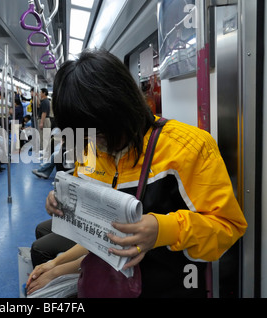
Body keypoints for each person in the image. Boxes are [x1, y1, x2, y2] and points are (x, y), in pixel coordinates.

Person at [28, 49, 248, 298]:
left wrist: (163, 229)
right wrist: (64, 210)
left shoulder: (189, 147)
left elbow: (229, 229)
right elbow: (98, 234)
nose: (95, 144)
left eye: (99, 134)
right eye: (86, 135)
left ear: (121, 109)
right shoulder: (89, 150)